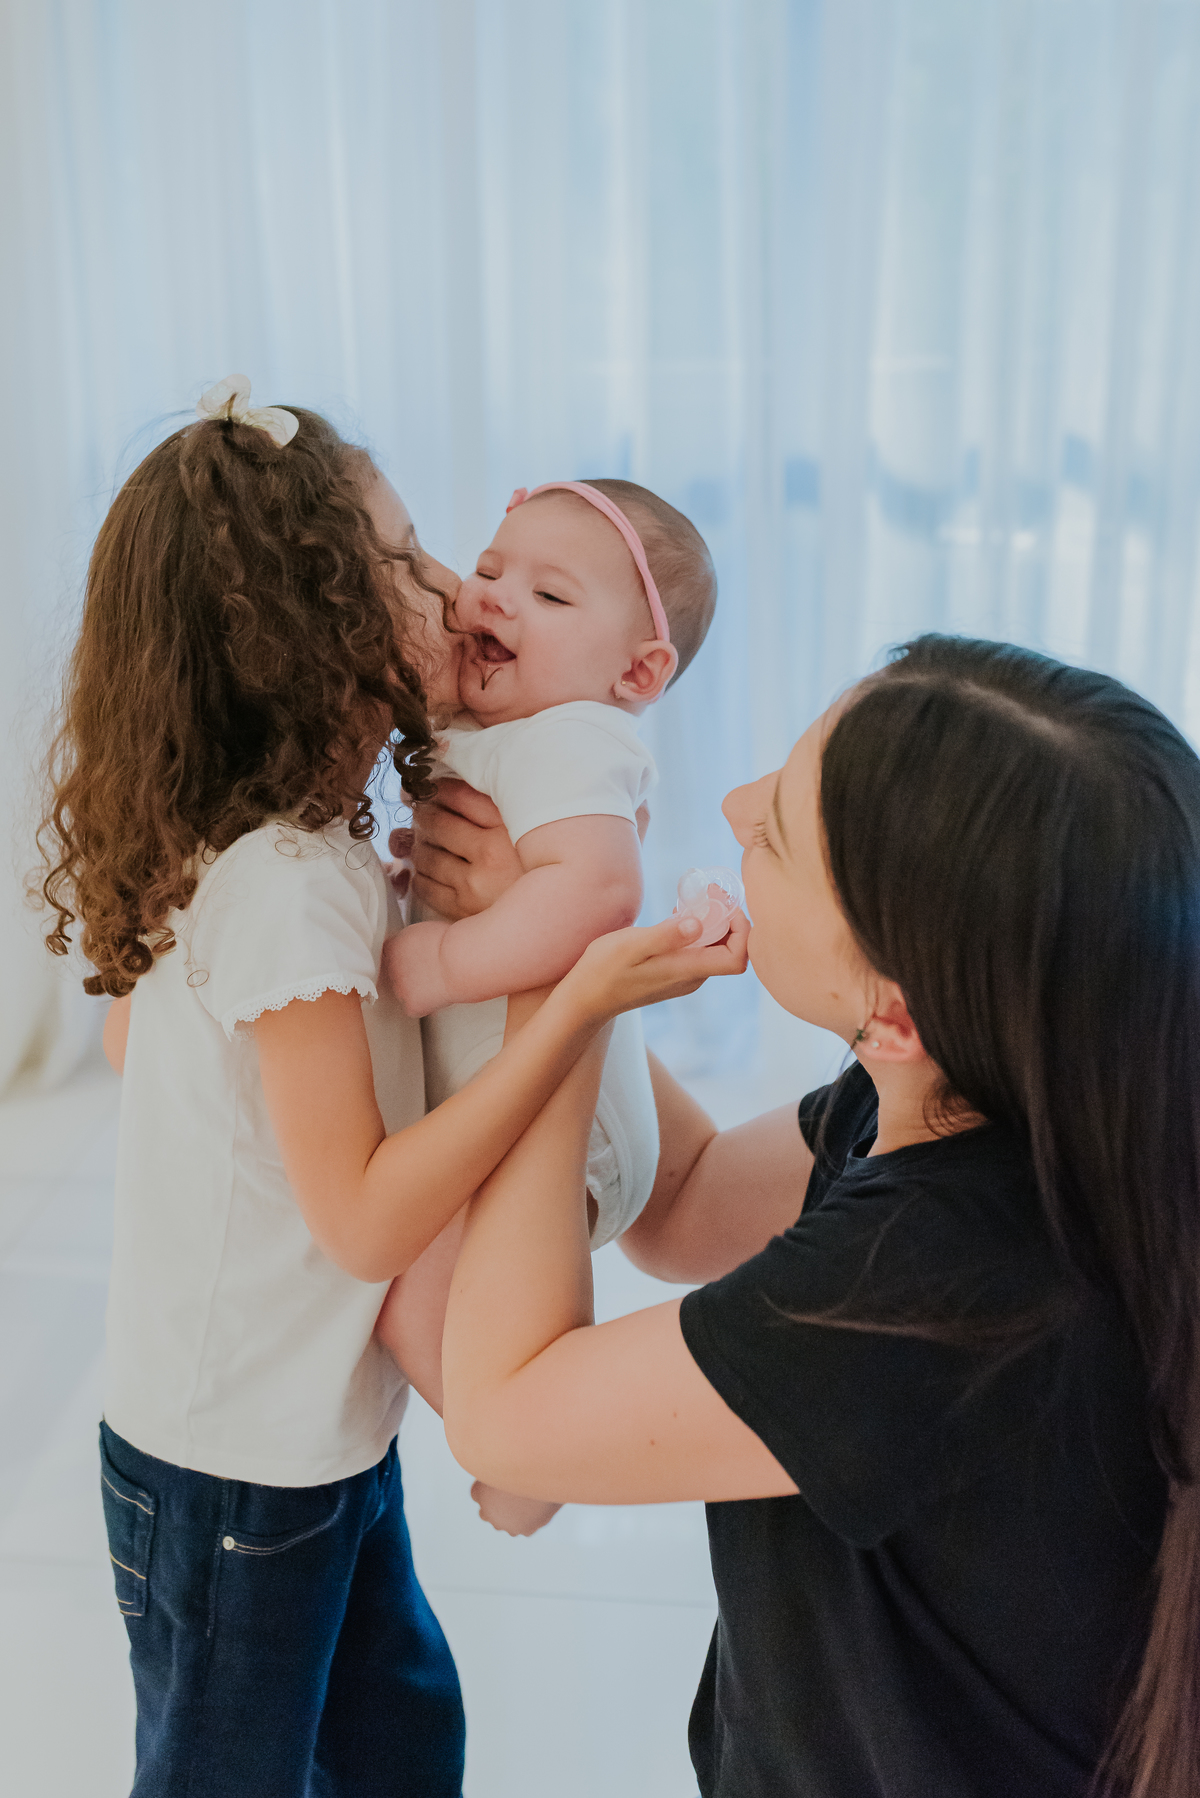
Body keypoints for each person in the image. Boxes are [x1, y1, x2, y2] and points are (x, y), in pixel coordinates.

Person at [38, 375, 743, 1798]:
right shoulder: (293, 886)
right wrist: (574, 1007)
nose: (459, 592)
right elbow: (368, 1224)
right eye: (420, 563)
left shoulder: (290, 849)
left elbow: (135, 1045)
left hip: (312, 1434)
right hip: (232, 1470)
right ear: (316, 635)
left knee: (404, 1736)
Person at [432, 635, 1197, 1798]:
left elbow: (503, 1411)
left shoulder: (925, 1285)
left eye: (777, 829)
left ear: (894, 1010)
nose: (735, 806)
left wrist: (549, 982)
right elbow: (682, 1204)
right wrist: (578, 942)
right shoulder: (1011, 1102)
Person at [375, 479, 716, 1534]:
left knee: (410, 1288)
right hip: (521, 1109)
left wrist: (444, 958)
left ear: (638, 671)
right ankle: (516, 1432)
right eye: (487, 572)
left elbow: (599, 891)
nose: (495, 601)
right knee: (415, 1289)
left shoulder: (576, 736)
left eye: (550, 596)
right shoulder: (506, 730)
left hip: (567, 1134)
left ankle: (535, 1452)